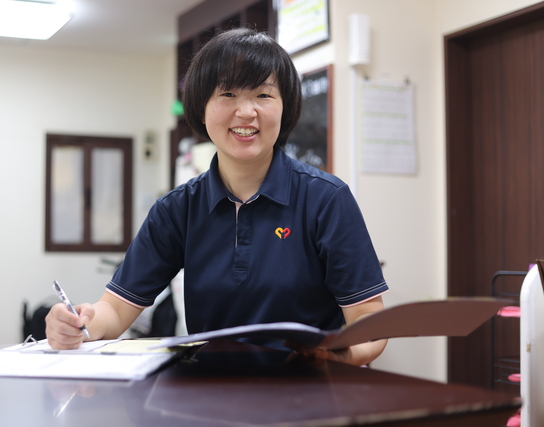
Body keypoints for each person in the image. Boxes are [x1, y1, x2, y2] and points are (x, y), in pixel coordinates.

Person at [46, 28, 388, 366]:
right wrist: (81, 325)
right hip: (207, 391)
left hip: (309, 390)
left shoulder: (326, 200)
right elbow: (117, 309)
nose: (246, 112)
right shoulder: (177, 209)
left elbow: (368, 319)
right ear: (202, 107)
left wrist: (340, 353)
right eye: (227, 94)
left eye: (263, 95)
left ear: (285, 107)